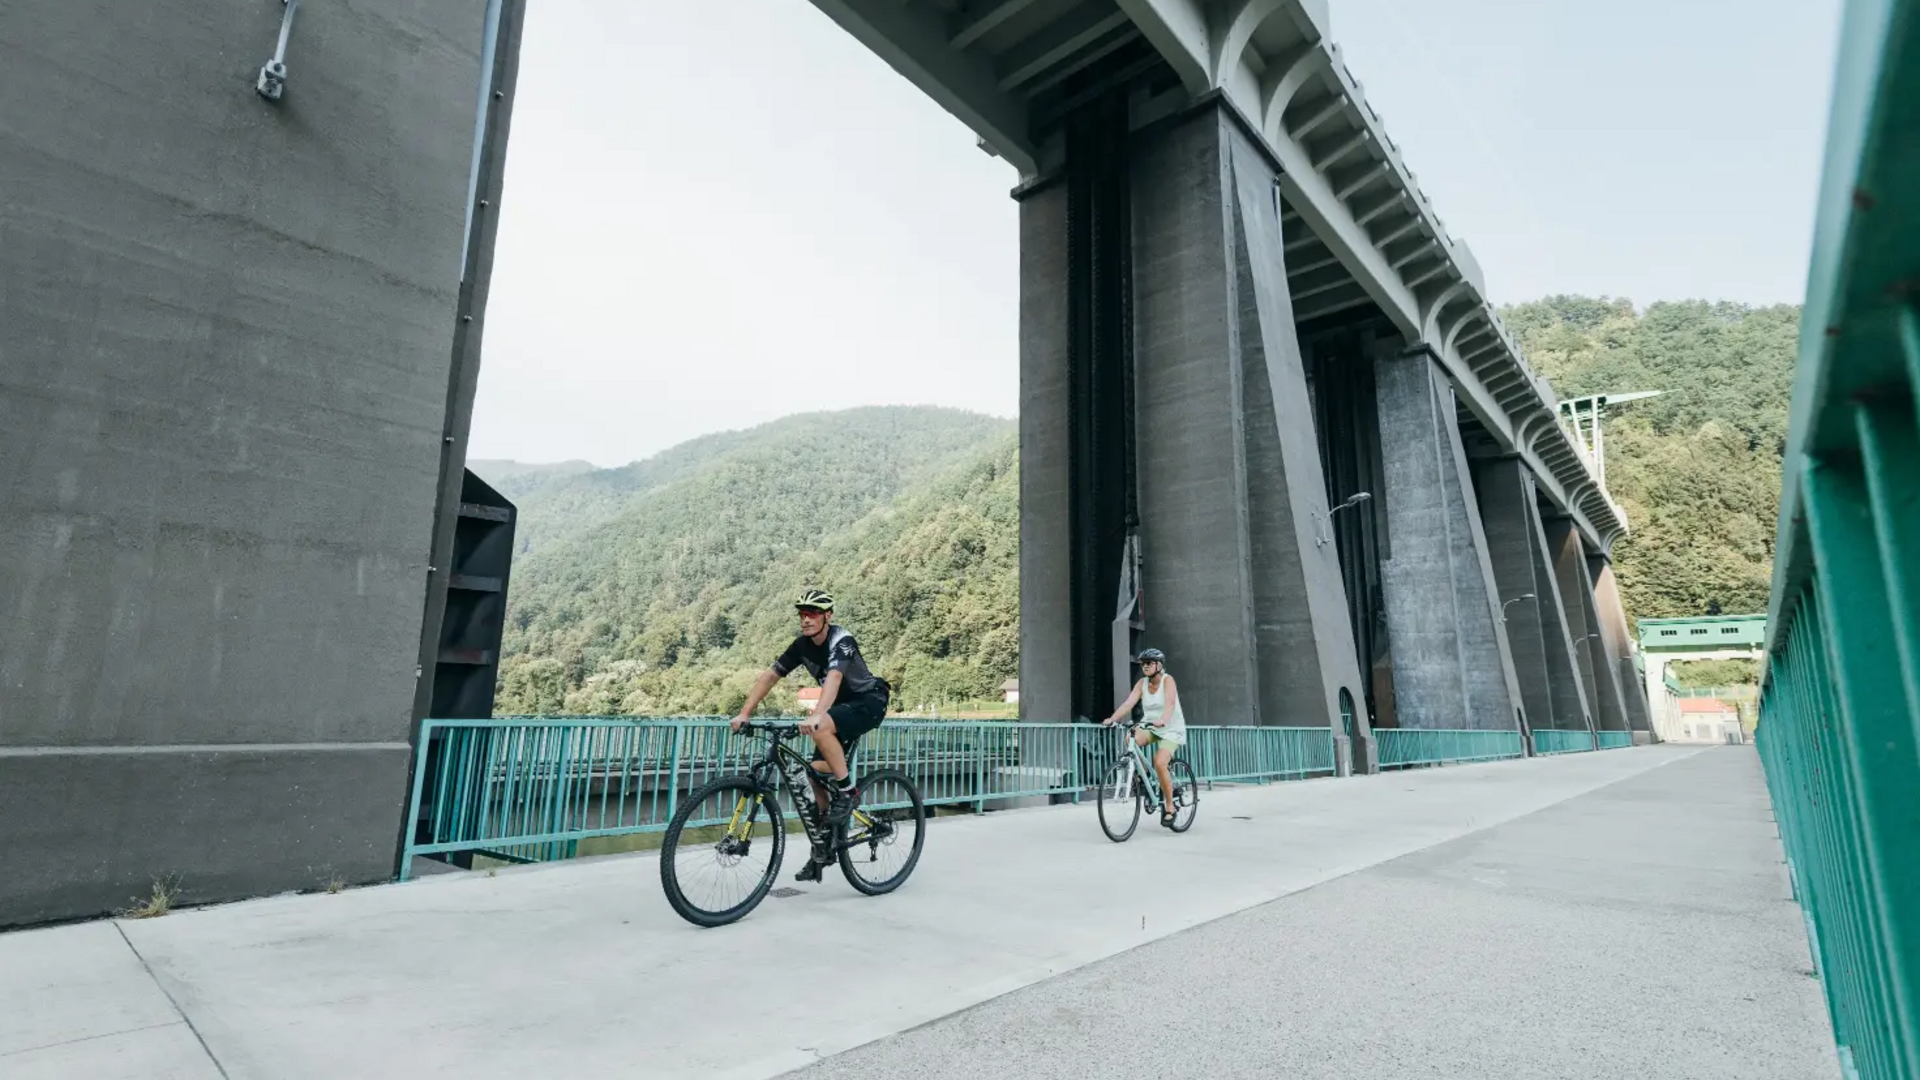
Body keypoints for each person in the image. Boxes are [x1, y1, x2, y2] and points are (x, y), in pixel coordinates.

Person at [731, 590, 891, 875]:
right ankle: (823, 849)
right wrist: (745, 712)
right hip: (839, 710)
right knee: (813, 773)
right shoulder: (801, 646)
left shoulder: (841, 640)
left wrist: (818, 714)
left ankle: (848, 792)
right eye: (802, 614)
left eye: (813, 613)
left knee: (821, 727)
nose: (806, 620)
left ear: (827, 616)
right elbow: (770, 676)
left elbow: (835, 677)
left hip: (868, 702)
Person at [1101, 648, 1186, 828]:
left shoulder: (1167, 680)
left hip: (1170, 727)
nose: (1145, 666)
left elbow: (1170, 703)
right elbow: (1128, 703)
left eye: (1148, 663)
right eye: (1143, 663)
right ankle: (1144, 775)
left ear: (1159, 665)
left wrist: (1163, 720)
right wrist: (1112, 719)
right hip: (1150, 725)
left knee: (1160, 762)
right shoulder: (1142, 684)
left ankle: (1170, 807)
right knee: (1129, 739)